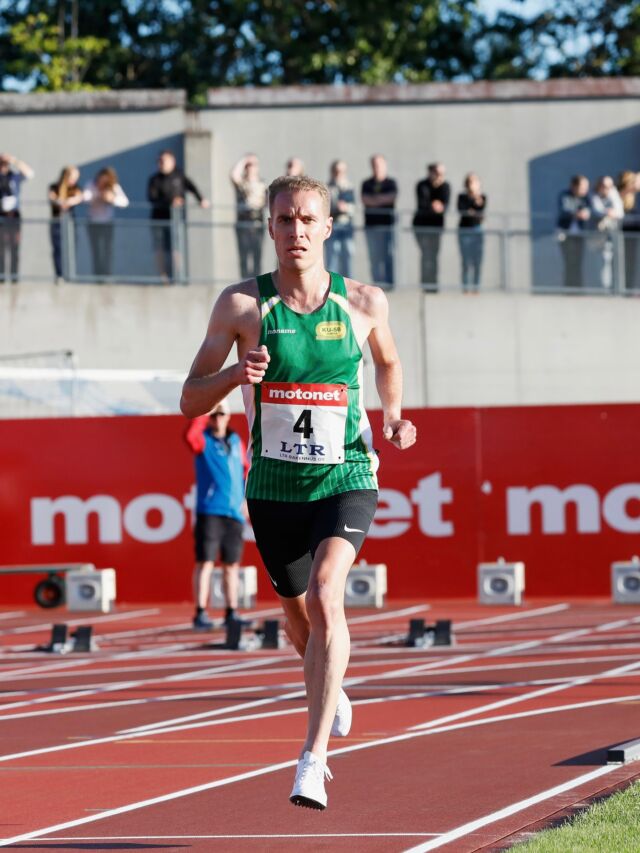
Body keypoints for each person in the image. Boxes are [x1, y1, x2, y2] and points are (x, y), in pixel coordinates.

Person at [180, 174, 416, 810]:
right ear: (270, 229)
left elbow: (388, 362)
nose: (297, 231)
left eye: (308, 219)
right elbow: (189, 399)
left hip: (346, 474)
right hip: (273, 485)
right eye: (285, 219)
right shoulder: (242, 306)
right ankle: (330, 683)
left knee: (326, 591)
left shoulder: (363, 302)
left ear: (328, 227)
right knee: (296, 612)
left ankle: (312, 761)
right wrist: (236, 374)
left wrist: (393, 416)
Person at [184, 397, 249, 629]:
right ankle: (200, 612)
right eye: (214, 415)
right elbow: (190, 437)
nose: (218, 419)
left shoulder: (236, 441)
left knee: (231, 565)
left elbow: (246, 471)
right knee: (206, 562)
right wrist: (205, 409)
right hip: (210, 510)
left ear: (228, 416)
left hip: (234, 513)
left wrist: (246, 500)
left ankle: (231, 611)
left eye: (221, 414)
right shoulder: (204, 440)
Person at [147, 150, 210, 283]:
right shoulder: (154, 180)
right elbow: (152, 198)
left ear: (172, 161)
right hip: (159, 220)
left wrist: (201, 200)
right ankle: (163, 278)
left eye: (163, 161)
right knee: (159, 249)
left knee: (176, 248)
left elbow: (192, 187)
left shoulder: (179, 176)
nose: (161, 163)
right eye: (159, 161)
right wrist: (170, 202)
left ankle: (177, 277)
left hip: (175, 220)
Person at [83, 167, 129, 282]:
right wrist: (98, 195)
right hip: (93, 223)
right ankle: (98, 276)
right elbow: (85, 198)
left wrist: (112, 199)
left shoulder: (113, 187)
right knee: (96, 251)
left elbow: (125, 202)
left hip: (107, 223)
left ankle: (107, 275)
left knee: (107, 250)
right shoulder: (91, 185)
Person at [412, 162, 450, 291]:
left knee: (433, 256)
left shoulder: (445, 186)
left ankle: (433, 285)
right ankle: (425, 284)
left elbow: (445, 205)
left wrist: (438, 206)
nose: (440, 176)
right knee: (426, 255)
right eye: (438, 173)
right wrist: (434, 206)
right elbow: (423, 204)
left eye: (442, 173)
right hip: (422, 226)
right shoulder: (422, 185)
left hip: (436, 227)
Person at [361, 154, 397, 288]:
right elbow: (365, 200)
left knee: (388, 255)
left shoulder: (390, 183)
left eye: (379, 164)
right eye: (374, 165)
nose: (376, 167)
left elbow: (391, 197)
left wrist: (374, 200)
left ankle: (389, 285)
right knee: (375, 257)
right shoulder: (367, 184)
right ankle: (378, 285)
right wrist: (381, 200)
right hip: (371, 226)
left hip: (388, 226)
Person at [230, 154, 267, 280]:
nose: (250, 168)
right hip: (243, 224)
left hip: (257, 224)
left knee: (257, 256)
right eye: (248, 165)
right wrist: (244, 160)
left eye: (253, 165)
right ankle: (245, 283)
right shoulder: (242, 183)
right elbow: (234, 175)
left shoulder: (263, 185)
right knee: (244, 256)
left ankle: (257, 284)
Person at [0, 152, 34, 284]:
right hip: (1, 215)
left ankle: (14, 276)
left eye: (5, 164)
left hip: (14, 215)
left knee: (14, 247)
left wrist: (14, 160)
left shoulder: (13, 177)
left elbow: (29, 173)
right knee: (1, 248)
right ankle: (1, 276)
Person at [48, 165, 84, 283]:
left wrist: (67, 201)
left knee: (71, 248)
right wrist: (61, 201)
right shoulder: (54, 187)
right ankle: (59, 275)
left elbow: (79, 197)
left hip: (70, 223)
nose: (74, 180)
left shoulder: (76, 188)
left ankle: (70, 274)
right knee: (57, 248)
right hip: (57, 222)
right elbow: (53, 198)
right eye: (72, 177)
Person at [588, 175, 624, 290]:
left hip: (612, 235)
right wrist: (608, 212)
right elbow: (597, 210)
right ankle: (603, 288)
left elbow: (619, 212)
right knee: (601, 261)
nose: (607, 188)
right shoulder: (593, 195)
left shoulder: (613, 194)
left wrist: (612, 212)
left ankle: (613, 288)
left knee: (612, 261)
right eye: (604, 186)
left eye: (609, 186)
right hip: (597, 236)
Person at [557, 174, 590, 289]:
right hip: (565, 234)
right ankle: (568, 288)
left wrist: (586, 213)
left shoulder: (586, 198)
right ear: (574, 186)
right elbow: (563, 210)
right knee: (568, 262)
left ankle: (578, 288)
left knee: (578, 262)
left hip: (580, 235)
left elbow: (591, 210)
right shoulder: (565, 195)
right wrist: (576, 214)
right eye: (583, 187)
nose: (585, 190)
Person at [325, 160, 356, 278]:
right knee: (332, 254)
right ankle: (332, 282)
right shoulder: (327, 188)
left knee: (347, 253)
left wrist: (346, 207)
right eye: (336, 171)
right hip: (333, 226)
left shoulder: (349, 187)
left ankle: (348, 282)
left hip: (346, 225)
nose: (339, 174)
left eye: (341, 171)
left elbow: (353, 207)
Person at [457, 173, 487, 292]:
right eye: (469, 182)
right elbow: (463, 210)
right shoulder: (462, 197)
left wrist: (476, 198)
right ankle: (465, 288)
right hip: (464, 230)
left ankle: (476, 288)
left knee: (477, 261)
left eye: (474, 181)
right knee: (466, 261)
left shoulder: (482, 197)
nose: (471, 184)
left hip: (477, 230)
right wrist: (472, 208)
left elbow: (480, 211)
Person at [617, 170, 640, 292]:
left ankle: (629, 289)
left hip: (633, 236)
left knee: (631, 263)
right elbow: (620, 218)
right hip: (621, 236)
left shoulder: (633, 197)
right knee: (621, 263)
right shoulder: (618, 196)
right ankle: (622, 289)